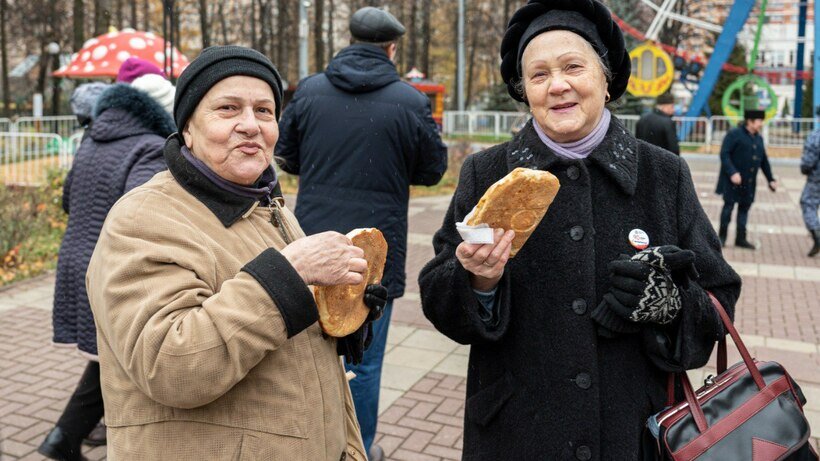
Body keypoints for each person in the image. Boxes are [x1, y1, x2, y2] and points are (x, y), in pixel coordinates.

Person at [417, 1, 742, 459]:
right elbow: (437, 296)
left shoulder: (663, 175)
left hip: (634, 432)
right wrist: (478, 282)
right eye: (539, 75)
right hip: (517, 431)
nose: (558, 86)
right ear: (524, 90)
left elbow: (719, 294)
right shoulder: (485, 173)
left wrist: (667, 304)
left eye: (573, 67)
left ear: (605, 80)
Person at [86, 45, 384, 460]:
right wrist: (289, 276)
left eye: (265, 111)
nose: (251, 125)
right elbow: (170, 365)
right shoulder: (143, 218)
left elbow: (276, 330)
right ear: (187, 127)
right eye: (228, 108)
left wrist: (341, 319)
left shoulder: (267, 208)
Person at [276, 7, 447, 459]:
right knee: (364, 362)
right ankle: (358, 451)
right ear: (391, 48)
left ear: (349, 41)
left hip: (308, 246)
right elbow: (433, 170)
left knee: (300, 355)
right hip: (372, 254)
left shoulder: (310, 91)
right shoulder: (410, 101)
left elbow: (286, 156)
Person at [38, 70, 175, 461]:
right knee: (124, 355)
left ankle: (64, 438)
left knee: (112, 355)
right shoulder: (151, 147)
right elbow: (141, 214)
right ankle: (68, 438)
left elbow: (68, 199)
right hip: (113, 267)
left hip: (77, 260)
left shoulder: (93, 138)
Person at [716, 109, 778, 249]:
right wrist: (732, 172)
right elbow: (724, 154)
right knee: (728, 208)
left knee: (744, 210)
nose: (761, 124)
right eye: (759, 121)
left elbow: (764, 161)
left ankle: (741, 238)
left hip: (749, 182)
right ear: (750, 121)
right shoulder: (734, 134)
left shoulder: (758, 138)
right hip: (733, 181)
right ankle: (721, 237)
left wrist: (770, 179)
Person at [801, 118, 820, 257]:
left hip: (816, 178)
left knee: (808, 203)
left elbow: (808, 161)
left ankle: (817, 235)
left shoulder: (816, 135)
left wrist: (805, 169)